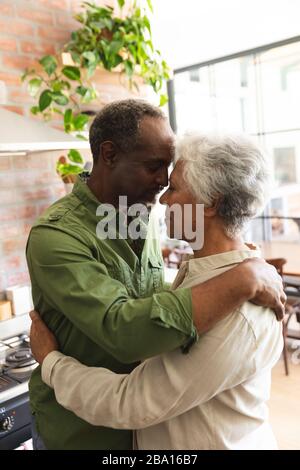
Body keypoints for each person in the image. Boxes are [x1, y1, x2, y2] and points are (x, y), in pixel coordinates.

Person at [26, 101, 285, 450]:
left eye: (172, 179)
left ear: (210, 203)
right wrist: (241, 278)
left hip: (135, 420)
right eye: (155, 166)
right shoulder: (56, 236)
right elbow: (124, 329)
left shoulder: (138, 212)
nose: (163, 187)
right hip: (80, 433)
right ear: (109, 155)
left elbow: (141, 291)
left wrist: (244, 273)